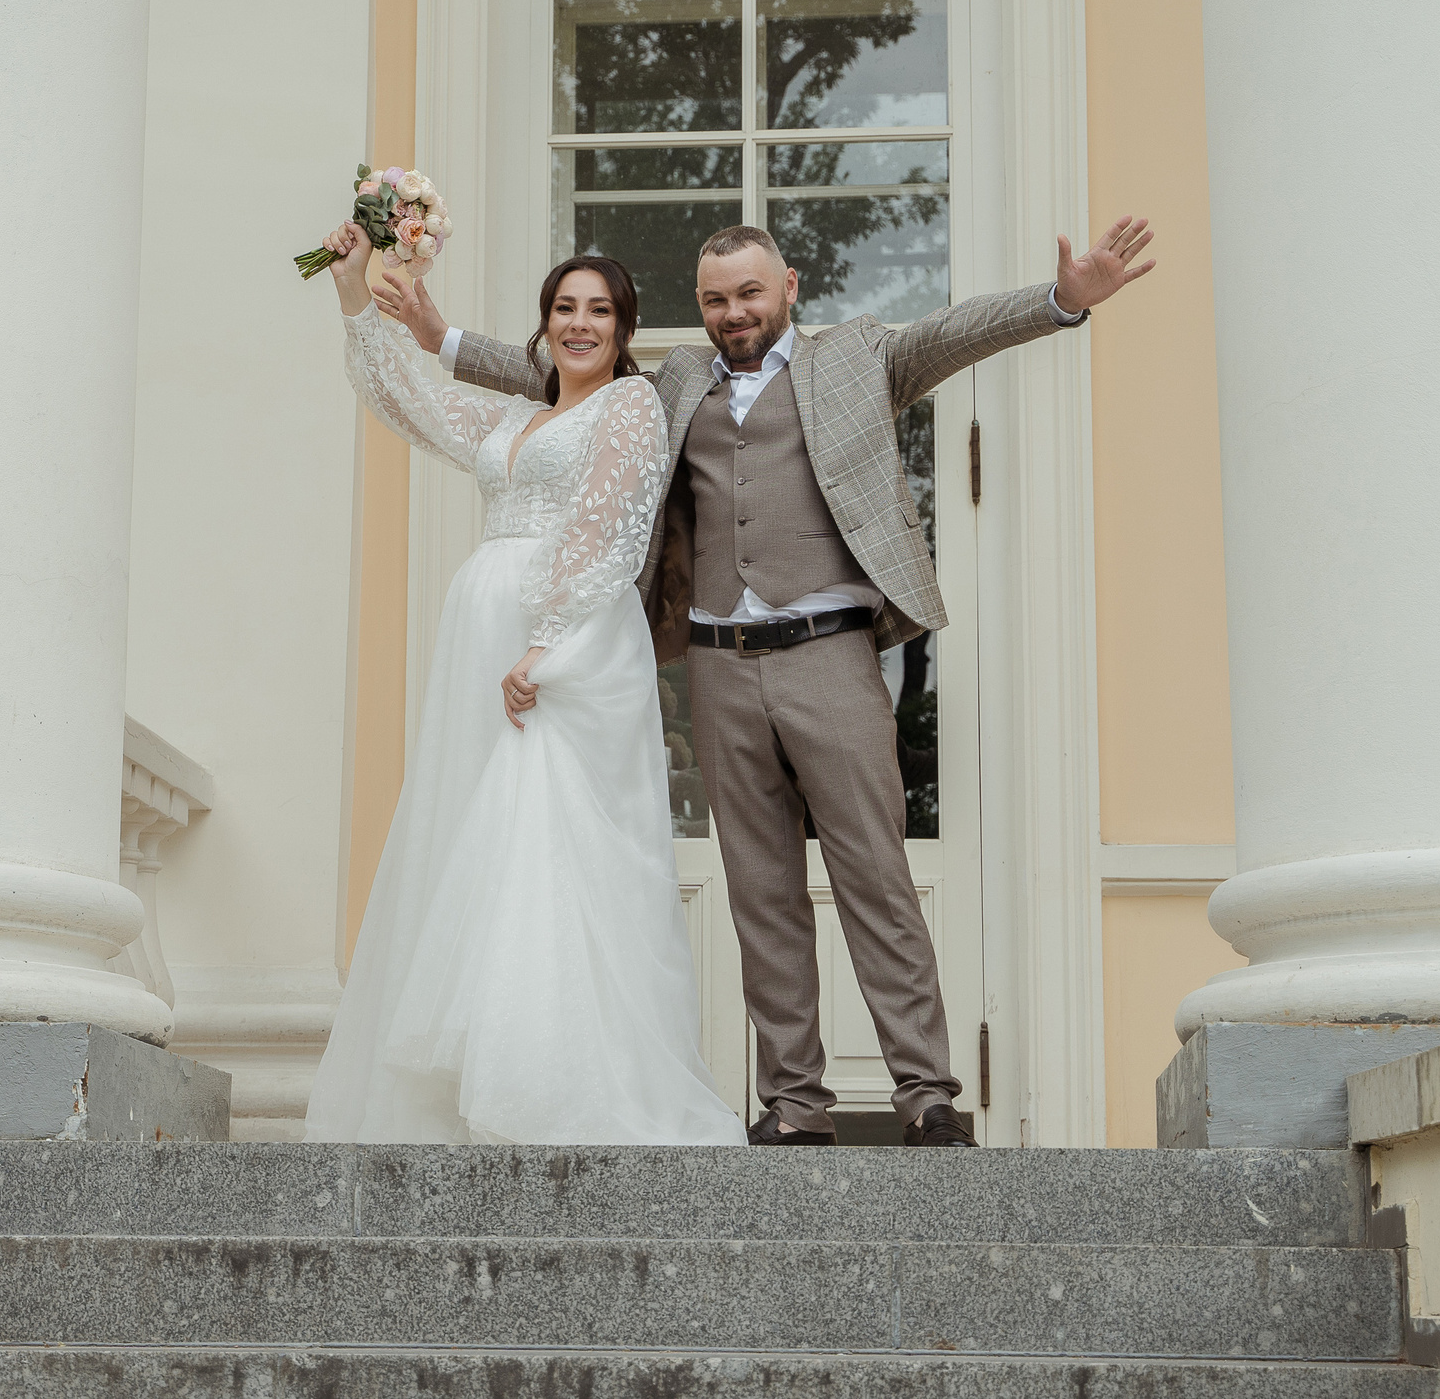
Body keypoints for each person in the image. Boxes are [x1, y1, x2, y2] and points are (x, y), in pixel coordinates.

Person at [380, 218, 1157, 1146]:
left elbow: (950, 333)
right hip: (716, 663)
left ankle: (925, 1092)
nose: (733, 312)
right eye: (715, 299)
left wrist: (1063, 300)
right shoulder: (668, 384)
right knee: (761, 890)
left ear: (788, 285)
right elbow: (556, 368)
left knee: (876, 872)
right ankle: (793, 1105)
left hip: (828, 652)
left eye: (749, 293)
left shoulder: (856, 359)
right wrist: (439, 339)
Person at [302, 220, 745, 1146]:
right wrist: (354, 292)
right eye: (564, 309)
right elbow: (411, 403)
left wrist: (548, 641)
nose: (580, 324)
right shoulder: (512, 417)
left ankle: (555, 1085)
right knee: (476, 835)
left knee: (551, 841)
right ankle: (472, 1080)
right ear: (542, 327)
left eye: (600, 311)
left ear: (623, 331)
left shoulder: (628, 409)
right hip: (484, 635)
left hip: (566, 645)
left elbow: (611, 524)